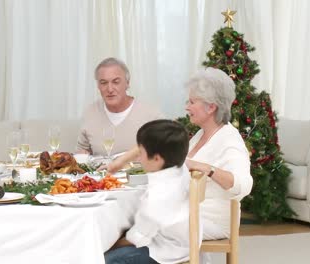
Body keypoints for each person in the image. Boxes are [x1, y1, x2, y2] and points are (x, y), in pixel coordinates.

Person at [107, 67, 253, 241]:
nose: (186, 107)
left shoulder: (229, 140)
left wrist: (205, 168)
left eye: (191, 102)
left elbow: (243, 186)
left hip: (209, 221)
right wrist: (123, 161)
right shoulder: (201, 135)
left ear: (211, 107)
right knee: (125, 223)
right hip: (185, 213)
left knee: (129, 231)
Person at [105, 119, 191, 264]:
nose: (138, 156)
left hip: (164, 252)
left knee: (101, 258)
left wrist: (107, 247)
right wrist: (122, 160)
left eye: (141, 153)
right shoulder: (180, 167)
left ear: (157, 158)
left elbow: (136, 238)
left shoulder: (158, 197)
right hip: (181, 242)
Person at [76, 57, 163, 156]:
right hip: (101, 171)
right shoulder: (90, 113)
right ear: (98, 86)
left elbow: (165, 154)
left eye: (116, 82)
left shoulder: (151, 115)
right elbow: (82, 153)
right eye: (103, 83)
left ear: (127, 83)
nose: (110, 89)